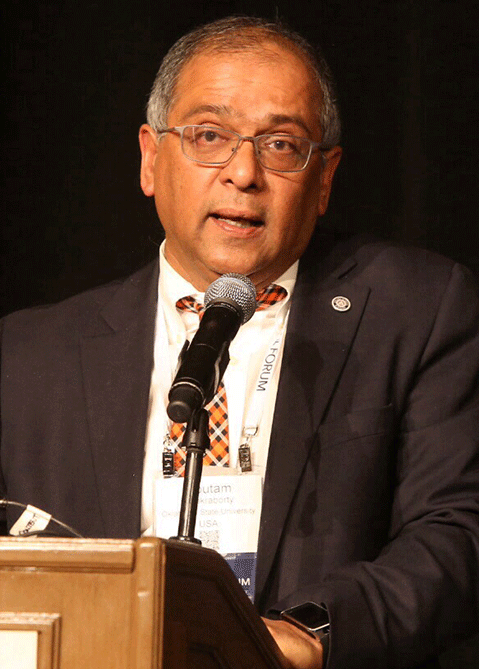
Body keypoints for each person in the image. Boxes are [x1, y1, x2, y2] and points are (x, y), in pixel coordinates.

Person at [1, 15, 478, 669]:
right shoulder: (27, 357)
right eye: (208, 136)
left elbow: (456, 529)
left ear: (324, 178)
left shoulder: (416, 308)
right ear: (149, 157)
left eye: (281, 144)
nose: (244, 172)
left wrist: (309, 632)